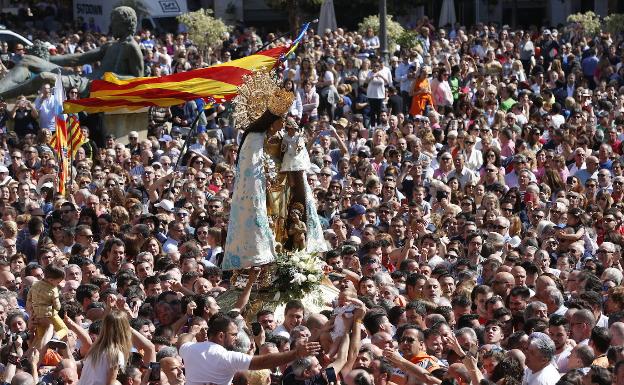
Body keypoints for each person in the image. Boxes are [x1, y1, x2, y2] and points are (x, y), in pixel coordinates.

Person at [26, 263, 67, 344]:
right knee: (64, 329)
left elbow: (29, 299)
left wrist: (32, 310)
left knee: (41, 337)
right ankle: (55, 338)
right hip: (50, 314)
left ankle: (42, 352)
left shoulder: (35, 285)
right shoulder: (53, 289)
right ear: (51, 280)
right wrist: (57, 308)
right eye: (58, 282)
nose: (58, 284)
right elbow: (57, 305)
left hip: (37, 315)